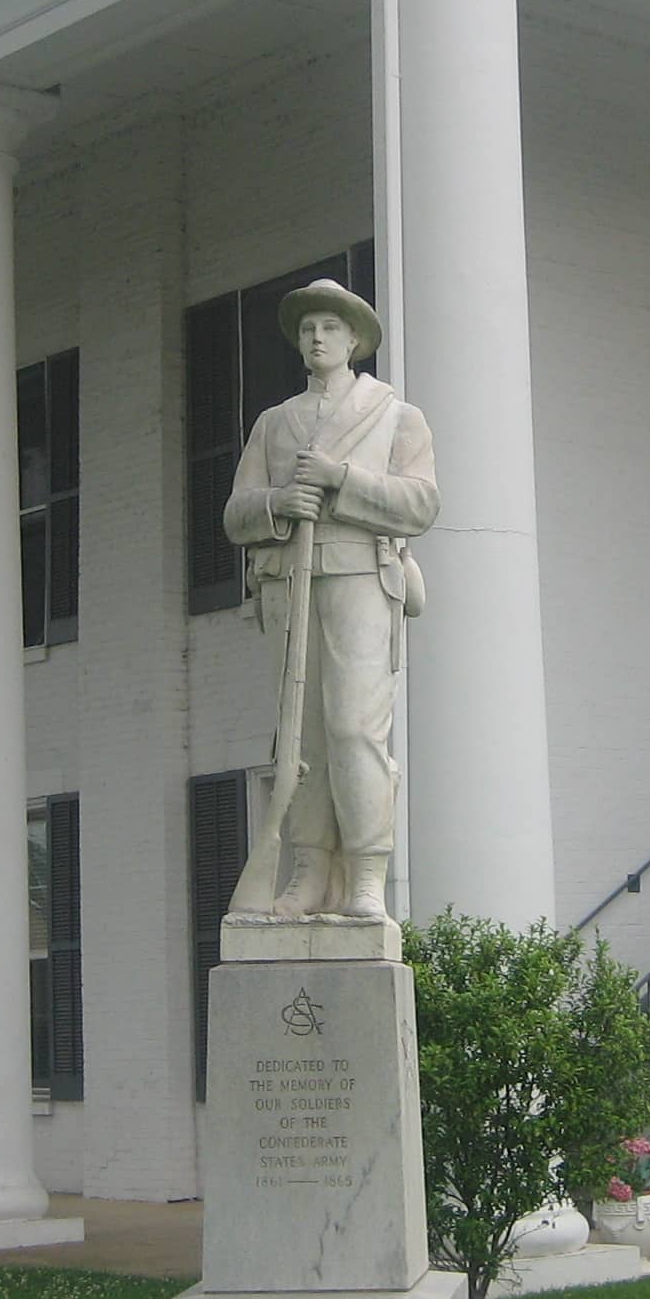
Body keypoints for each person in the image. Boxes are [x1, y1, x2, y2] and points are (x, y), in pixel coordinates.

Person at [223, 278, 437, 921]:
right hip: (293, 582)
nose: (317, 338)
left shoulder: (395, 415)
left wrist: (341, 481)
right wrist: (277, 504)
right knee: (300, 737)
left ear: (354, 341)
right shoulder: (273, 423)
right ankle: (309, 870)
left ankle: (367, 870)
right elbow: (237, 515)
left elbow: (421, 502)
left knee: (354, 729)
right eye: (308, 328)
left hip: (360, 578)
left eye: (330, 328)